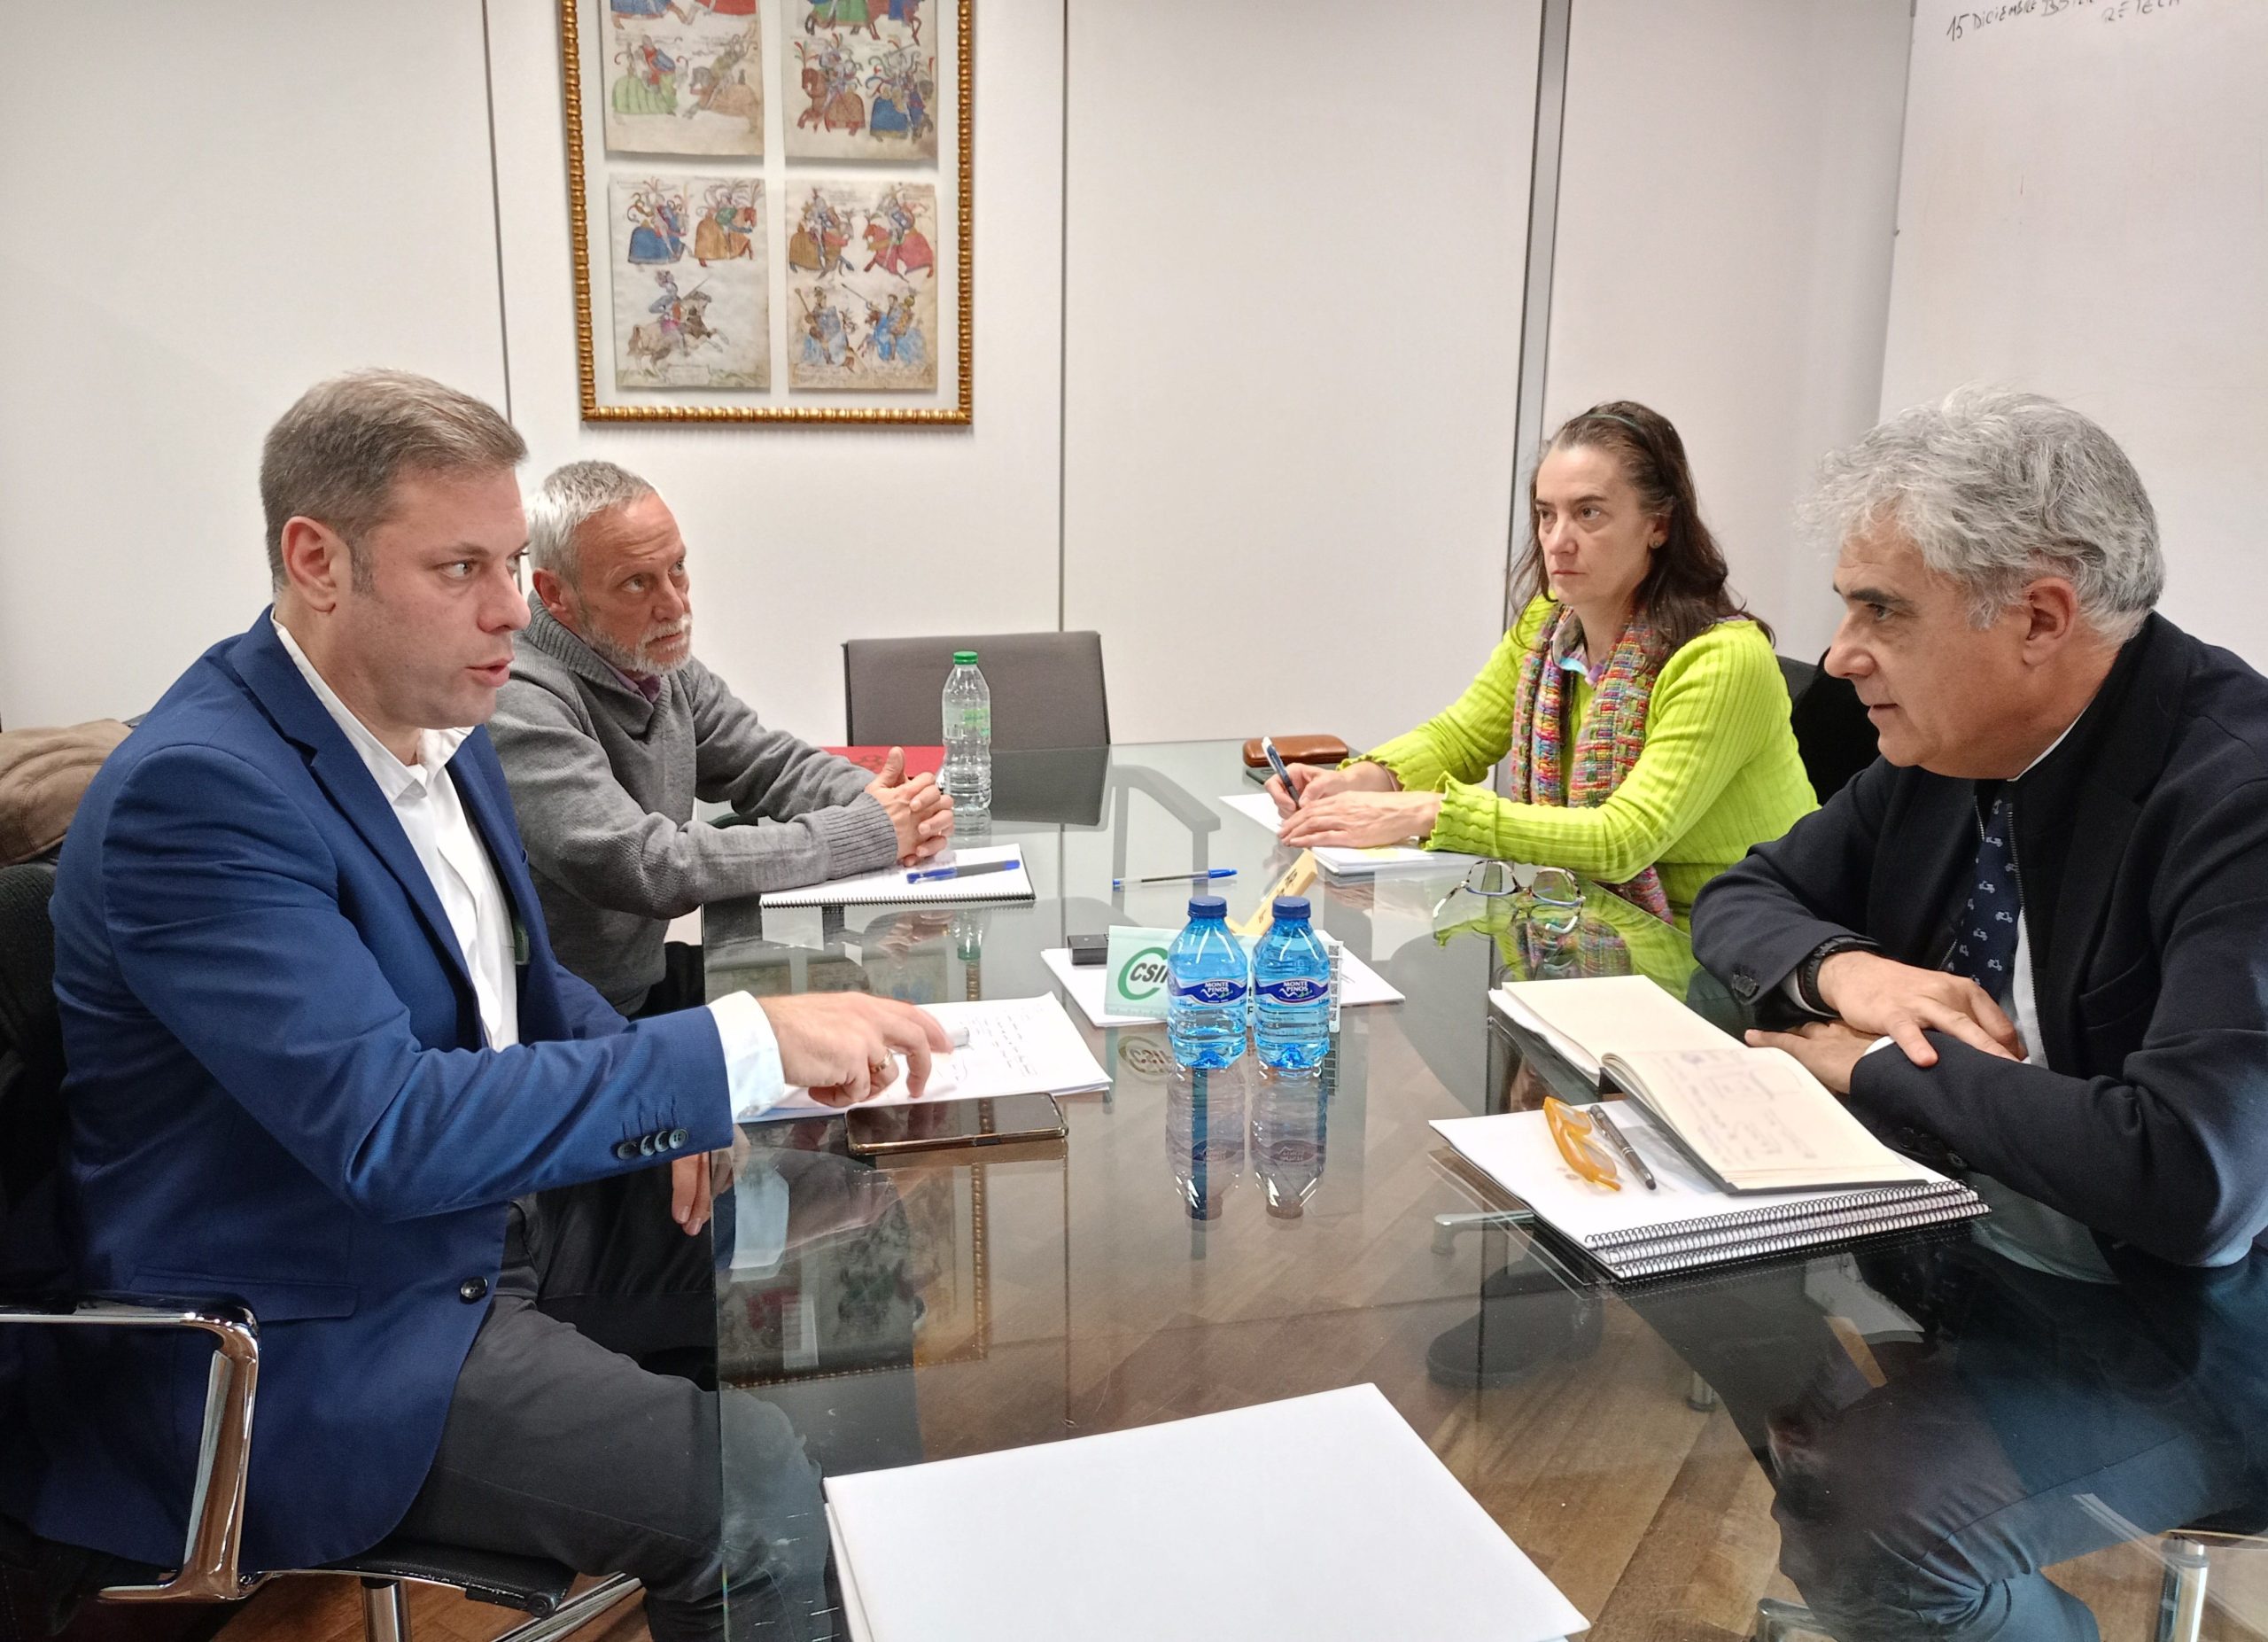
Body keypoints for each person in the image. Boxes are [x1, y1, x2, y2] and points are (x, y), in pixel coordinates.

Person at [2, 371, 949, 1642]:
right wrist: (726, 1048)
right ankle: (803, 1558)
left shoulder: (434, 722)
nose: (512, 608)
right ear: (317, 560)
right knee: (758, 1483)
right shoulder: (201, 794)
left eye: (510, 560)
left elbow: (523, 982)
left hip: (493, 1224)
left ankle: (896, 1586)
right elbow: (387, 1130)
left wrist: (681, 1104)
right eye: (460, 567)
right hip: (317, 1323)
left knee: (863, 1255)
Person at [1694, 385, 2268, 1273]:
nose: (1841, 653)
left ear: (2038, 618)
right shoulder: (1944, 745)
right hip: (1946, 1233)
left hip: (2166, 1336)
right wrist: (1853, 972)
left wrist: (1883, 1057)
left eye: (1881, 609)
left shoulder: (2240, 796)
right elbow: (1745, 893)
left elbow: (2193, 1174)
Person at [1270, 400, 1815, 928]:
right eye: (1545, 515)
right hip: (1588, 921)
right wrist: (1371, 780)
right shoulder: (1549, 624)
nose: (1558, 541)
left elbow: (1621, 839)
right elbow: (1462, 737)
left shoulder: (1724, 658)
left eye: (1589, 513)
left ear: (1659, 525)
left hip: (1727, 942)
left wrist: (1429, 813)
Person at [491, 460, 952, 1018]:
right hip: (570, 1028)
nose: (675, 605)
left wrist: (896, 803)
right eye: (638, 582)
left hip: (639, 987)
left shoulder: (656, 662)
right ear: (555, 594)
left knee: (877, 1013)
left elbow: (769, 765)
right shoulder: (515, 693)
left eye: (677, 569)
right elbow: (647, 865)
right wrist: (864, 831)